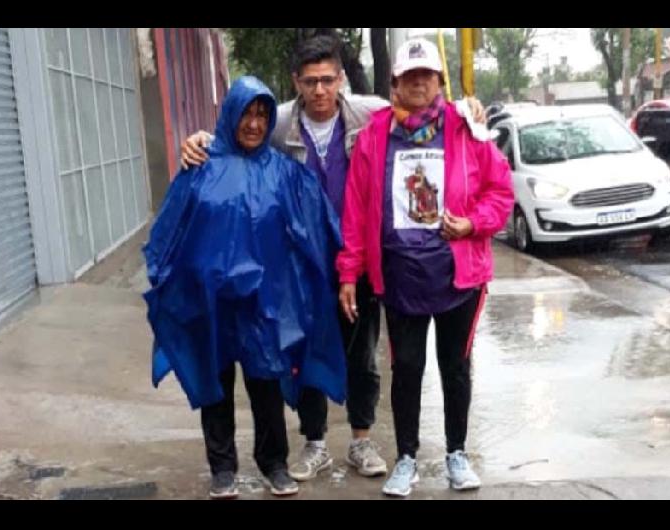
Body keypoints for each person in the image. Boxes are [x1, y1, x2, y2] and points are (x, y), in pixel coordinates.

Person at [179, 35, 488, 483]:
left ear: (341, 79)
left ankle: (361, 440)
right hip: (299, 264)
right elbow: (236, 135)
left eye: (327, 80)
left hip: (357, 257)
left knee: (362, 355)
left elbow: (422, 106)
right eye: (310, 82)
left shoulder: (370, 114)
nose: (320, 90)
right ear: (296, 83)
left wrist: (467, 108)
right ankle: (315, 443)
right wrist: (202, 139)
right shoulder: (278, 121)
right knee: (303, 353)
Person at [143, 76, 346, 499]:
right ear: (231, 114)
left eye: (262, 115)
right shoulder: (200, 165)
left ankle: (274, 463)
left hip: (263, 304)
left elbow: (316, 224)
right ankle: (222, 469)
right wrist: (168, 281)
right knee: (214, 383)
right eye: (247, 113)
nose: (254, 124)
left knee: (266, 384)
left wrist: (334, 271)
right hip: (209, 301)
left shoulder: (284, 173)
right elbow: (169, 229)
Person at [336, 38, 514, 497]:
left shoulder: (465, 127)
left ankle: (457, 453)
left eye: (427, 75)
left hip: (459, 276)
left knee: (455, 367)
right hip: (400, 280)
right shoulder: (374, 135)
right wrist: (349, 272)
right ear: (394, 83)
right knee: (407, 370)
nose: (419, 83)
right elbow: (355, 211)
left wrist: (473, 223)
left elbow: (501, 192)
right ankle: (407, 458)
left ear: (439, 81)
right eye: (410, 76)